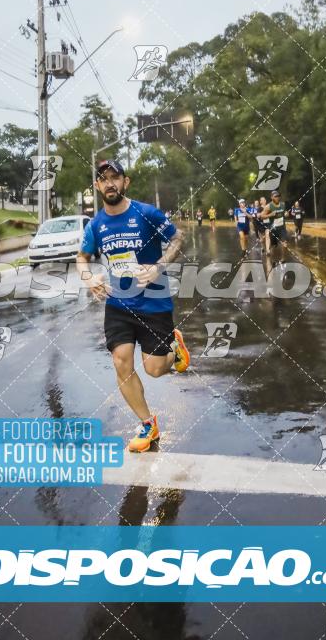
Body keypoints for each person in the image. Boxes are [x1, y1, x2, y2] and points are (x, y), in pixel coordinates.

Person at [77, 160, 190, 453]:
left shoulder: (145, 213)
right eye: (104, 179)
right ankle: (147, 424)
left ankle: (174, 349)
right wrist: (89, 278)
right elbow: (81, 257)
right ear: (97, 186)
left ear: (125, 182)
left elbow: (178, 237)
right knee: (120, 360)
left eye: (115, 177)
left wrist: (159, 266)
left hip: (154, 301)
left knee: (154, 369)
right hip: (118, 303)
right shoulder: (96, 225)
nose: (110, 183)